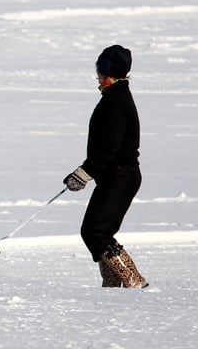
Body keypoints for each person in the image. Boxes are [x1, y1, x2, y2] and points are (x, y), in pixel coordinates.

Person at [64, 44, 147, 288]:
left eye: (99, 69)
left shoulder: (115, 101)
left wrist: (84, 173)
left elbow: (108, 147)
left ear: (107, 71)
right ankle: (112, 286)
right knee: (95, 230)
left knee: (96, 231)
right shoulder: (115, 96)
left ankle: (133, 280)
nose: (97, 75)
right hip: (115, 176)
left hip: (121, 175)